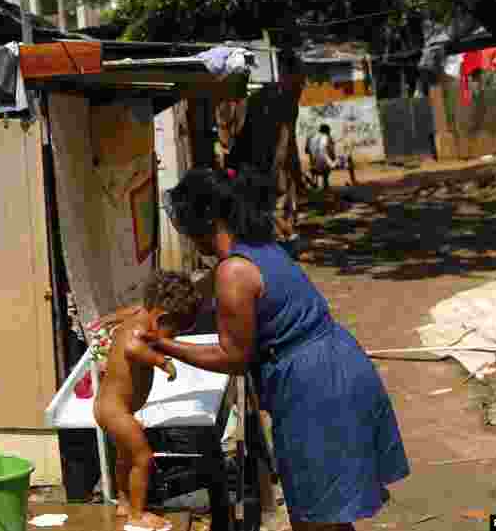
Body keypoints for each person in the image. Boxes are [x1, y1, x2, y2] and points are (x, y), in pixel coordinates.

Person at [150, 166, 409, 531]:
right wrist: (144, 313)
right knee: (329, 513)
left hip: (315, 388)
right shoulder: (255, 247)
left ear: (204, 221)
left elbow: (233, 357)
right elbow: (197, 295)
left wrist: (165, 346)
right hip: (336, 364)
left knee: (313, 517)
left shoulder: (234, 272)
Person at [92, 271, 202, 531]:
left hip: (112, 409)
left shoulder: (142, 315)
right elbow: (132, 347)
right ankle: (137, 515)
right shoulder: (140, 331)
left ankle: (123, 501)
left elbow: (133, 310)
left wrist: (109, 318)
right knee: (143, 458)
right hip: (115, 411)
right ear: (161, 318)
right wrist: (161, 361)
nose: (170, 339)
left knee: (124, 457)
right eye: (171, 332)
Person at [307, 124, 336, 189]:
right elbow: (331, 152)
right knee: (328, 164)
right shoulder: (328, 137)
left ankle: (314, 181)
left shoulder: (311, 137)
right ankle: (325, 184)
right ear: (327, 131)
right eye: (329, 131)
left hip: (313, 163)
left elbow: (306, 150)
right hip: (324, 164)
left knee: (314, 163)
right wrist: (333, 159)